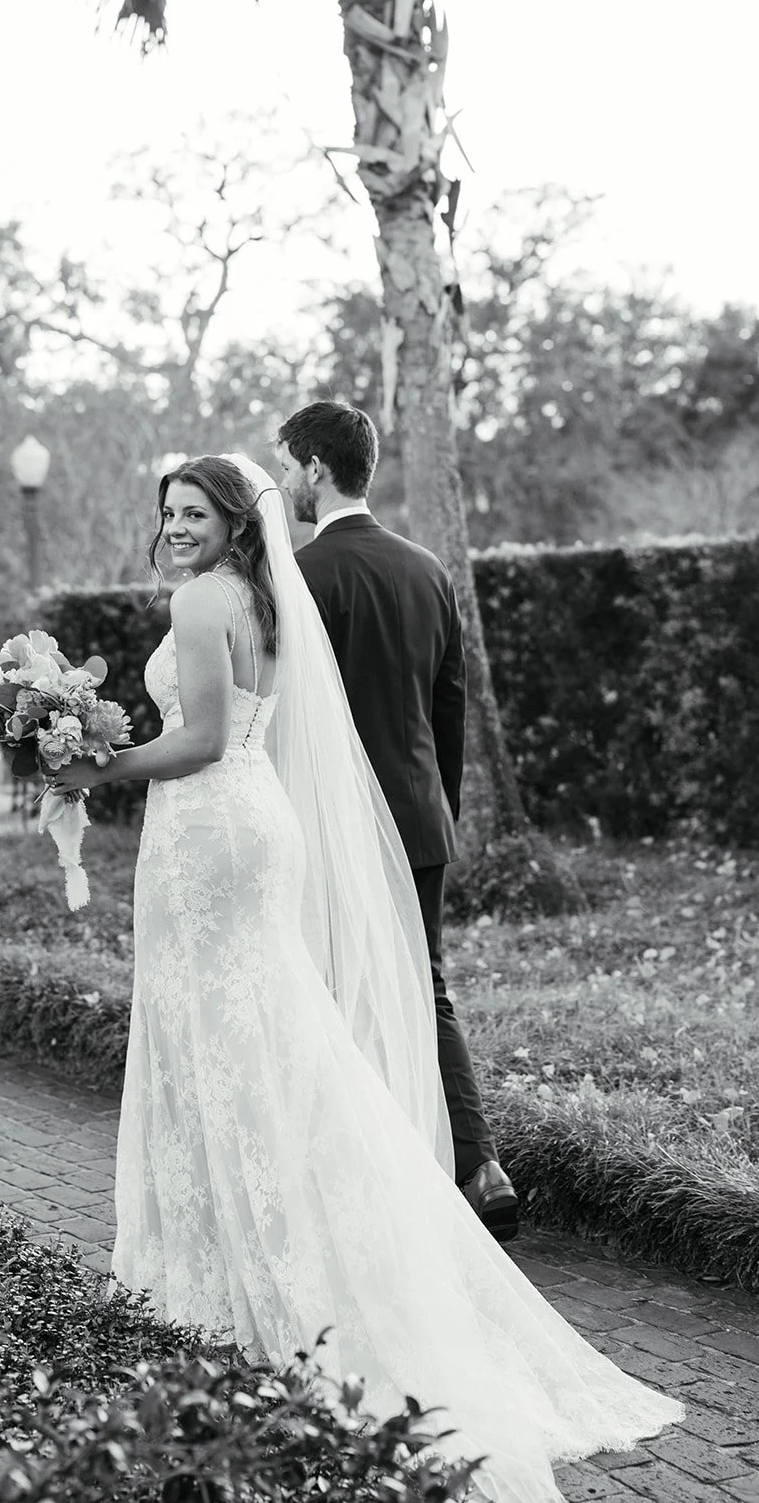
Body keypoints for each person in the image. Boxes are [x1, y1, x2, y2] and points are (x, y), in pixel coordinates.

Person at [50, 454, 682, 1503]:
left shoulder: (205, 596)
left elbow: (201, 738)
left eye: (192, 510)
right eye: (165, 510)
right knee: (268, 1039)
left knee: (221, 1046)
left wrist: (92, 767)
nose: (173, 526)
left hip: (210, 833)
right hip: (250, 826)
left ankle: (238, 1287)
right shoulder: (263, 595)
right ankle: (300, 1244)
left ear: (231, 520)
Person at [278, 400, 518, 1240]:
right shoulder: (426, 570)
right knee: (424, 984)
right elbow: (446, 711)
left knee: (335, 984)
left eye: (287, 466)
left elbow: (288, 720)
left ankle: (367, 1171)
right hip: (419, 818)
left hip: (334, 823)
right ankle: (478, 1164)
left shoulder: (303, 578)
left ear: (314, 468)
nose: (283, 484)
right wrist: (435, 806)